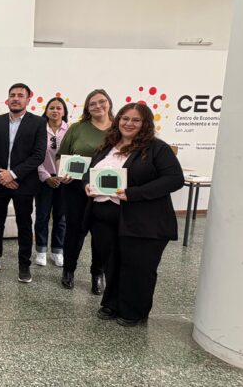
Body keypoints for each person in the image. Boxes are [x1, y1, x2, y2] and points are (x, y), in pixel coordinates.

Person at [87, 103, 183, 326]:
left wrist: (133, 194)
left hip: (144, 220)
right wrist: (87, 185)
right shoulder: (108, 146)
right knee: (112, 264)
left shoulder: (157, 148)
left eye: (136, 120)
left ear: (145, 124)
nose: (128, 123)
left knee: (138, 266)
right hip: (106, 218)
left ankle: (133, 311)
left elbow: (174, 179)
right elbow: (91, 172)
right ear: (118, 120)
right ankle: (111, 303)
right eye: (125, 118)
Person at [0, 83, 46, 282]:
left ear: (28, 99)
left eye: (20, 95)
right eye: (12, 95)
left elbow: (38, 155)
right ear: (8, 98)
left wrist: (13, 174)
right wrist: (1, 176)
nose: (15, 98)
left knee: (24, 225)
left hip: (23, 183)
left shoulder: (38, 123)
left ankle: (24, 265)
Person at [57, 89, 114, 294]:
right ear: (87, 108)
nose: (98, 106)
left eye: (101, 101)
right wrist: (61, 173)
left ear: (109, 103)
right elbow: (61, 156)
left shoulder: (119, 129)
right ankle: (68, 270)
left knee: (102, 235)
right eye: (92, 104)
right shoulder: (77, 128)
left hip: (106, 190)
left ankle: (97, 273)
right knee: (75, 231)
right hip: (75, 188)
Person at [35, 97, 69, 267]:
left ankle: (57, 251)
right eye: (51, 108)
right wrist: (46, 176)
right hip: (44, 179)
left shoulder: (70, 130)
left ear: (64, 112)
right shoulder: (39, 129)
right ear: (46, 111)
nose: (55, 111)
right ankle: (41, 251)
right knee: (42, 216)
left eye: (58, 108)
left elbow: (73, 155)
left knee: (61, 218)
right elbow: (34, 155)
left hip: (65, 180)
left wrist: (64, 175)